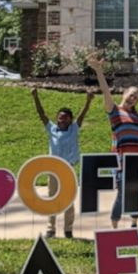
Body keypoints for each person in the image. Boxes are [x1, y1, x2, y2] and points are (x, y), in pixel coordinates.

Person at [88, 53, 138, 230]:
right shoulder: (115, 112)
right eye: (131, 95)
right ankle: (114, 226)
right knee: (122, 194)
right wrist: (99, 71)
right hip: (123, 162)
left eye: (136, 97)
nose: (133, 99)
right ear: (124, 94)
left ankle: (134, 224)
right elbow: (106, 92)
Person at [30, 87, 94, 239]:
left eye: (65, 117)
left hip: (68, 169)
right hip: (53, 169)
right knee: (52, 198)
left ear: (70, 120)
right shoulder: (51, 128)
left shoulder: (74, 129)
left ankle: (68, 229)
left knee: (68, 200)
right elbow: (42, 114)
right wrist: (35, 97)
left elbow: (82, 115)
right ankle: (51, 229)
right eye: (60, 117)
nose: (61, 120)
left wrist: (88, 101)